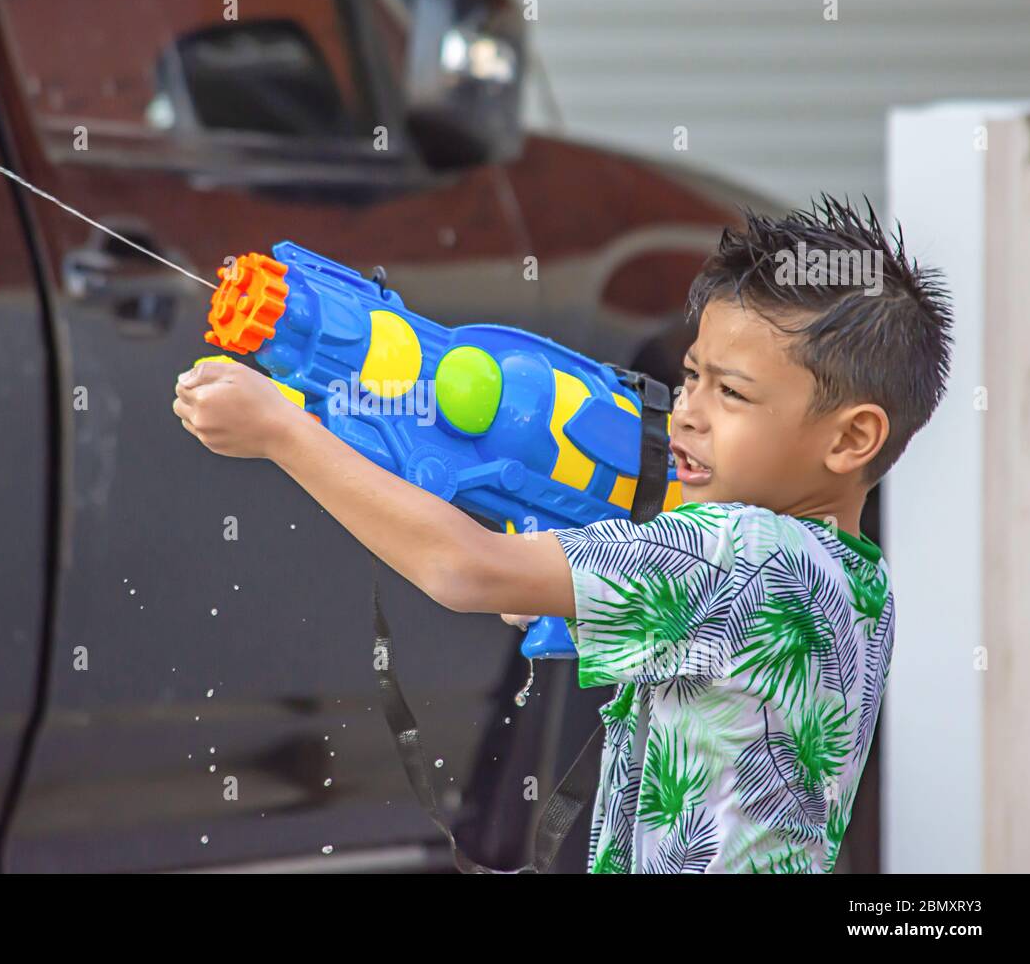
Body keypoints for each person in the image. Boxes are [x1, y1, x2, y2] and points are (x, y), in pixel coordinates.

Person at [172, 195, 953, 873]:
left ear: (851, 439)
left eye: (733, 392)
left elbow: (462, 569)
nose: (687, 409)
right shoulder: (856, 582)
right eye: (691, 374)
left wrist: (281, 432)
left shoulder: (732, 552)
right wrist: (571, 603)